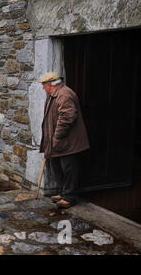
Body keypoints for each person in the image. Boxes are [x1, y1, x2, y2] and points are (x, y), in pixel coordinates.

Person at [39, 72, 90, 209]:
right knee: (57, 167)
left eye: (44, 85)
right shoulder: (53, 94)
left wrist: (57, 136)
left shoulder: (64, 94)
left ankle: (69, 197)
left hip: (68, 141)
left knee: (69, 169)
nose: (43, 88)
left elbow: (67, 117)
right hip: (57, 141)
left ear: (50, 85)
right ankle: (63, 192)